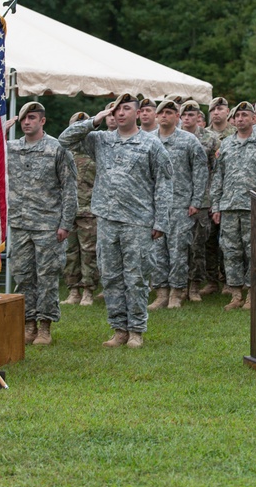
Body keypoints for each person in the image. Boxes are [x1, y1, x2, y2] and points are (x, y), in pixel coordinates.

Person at [59, 93, 173, 348]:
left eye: (126, 109)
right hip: (107, 219)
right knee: (111, 277)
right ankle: (119, 329)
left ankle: (136, 330)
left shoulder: (151, 144)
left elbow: (164, 183)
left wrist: (160, 222)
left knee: (136, 277)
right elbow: (65, 139)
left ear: (137, 113)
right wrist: (95, 119)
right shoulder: (101, 140)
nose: (120, 113)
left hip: (138, 220)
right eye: (116, 109)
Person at [6, 102, 77, 346]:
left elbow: (69, 188)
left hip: (48, 224)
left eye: (32, 117)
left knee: (47, 276)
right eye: (24, 118)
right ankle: (28, 324)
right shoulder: (11, 148)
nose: (27, 122)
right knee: (23, 275)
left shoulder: (57, 148)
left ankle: (45, 326)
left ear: (42, 121)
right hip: (20, 223)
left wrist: (65, 223)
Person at [211, 102, 256, 310]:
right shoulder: (225, 146)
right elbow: (218, 177)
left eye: (245, 115)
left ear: (253, 119)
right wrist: (216, 206)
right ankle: (235, 294)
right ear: (233, 121)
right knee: (231, 250)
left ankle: (252, 293)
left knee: (254, 251)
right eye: (237, 116)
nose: (240, 118)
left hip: (255, 206)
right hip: (230, 205)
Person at [147, 99, 208, 310]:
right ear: (156, 116)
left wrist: (196, 201)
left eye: (170, 112)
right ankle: (161, 293)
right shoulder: (148, 140)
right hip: (156, 206)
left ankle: (176, 292)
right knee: (157, 251)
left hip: (181, 205)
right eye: (161, 112)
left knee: (178, 251)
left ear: (177, 116)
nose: (164, 116)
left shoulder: (189, 140)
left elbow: (200, 172)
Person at [180, 100, 221, 301]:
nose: (187, 118)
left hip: (203, 199)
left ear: (199, 117)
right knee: (178, 245)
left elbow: (217, 170)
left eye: (191, 115)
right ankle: (178, 286)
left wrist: (213, 198)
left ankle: (194, 285)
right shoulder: (173, 137)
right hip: (177, 199)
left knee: (198, 245)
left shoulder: (211, 139)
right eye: (184, 115)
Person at [62, 112, 100, 307]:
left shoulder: (94, 150)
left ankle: (88, 290)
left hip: (89, 211)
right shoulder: (63, 152)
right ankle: (73, 289)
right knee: (70, 253)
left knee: (88, 252)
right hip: (69, 211)